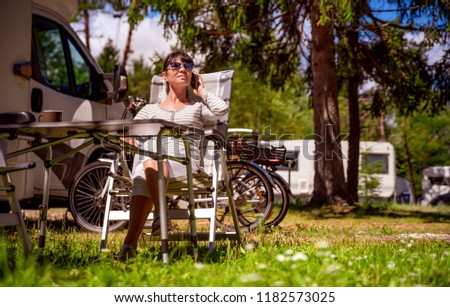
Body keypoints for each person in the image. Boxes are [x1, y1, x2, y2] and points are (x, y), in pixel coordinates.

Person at [118, 50, 229, 260]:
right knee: (146, 168)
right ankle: (132, 245)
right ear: (164, 75)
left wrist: (202, 91)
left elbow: (222, 111)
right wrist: (127, 137)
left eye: (188, 67)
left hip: (186, 165)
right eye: (176, 66)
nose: (182, 70)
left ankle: (148, 228)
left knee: (148, 165)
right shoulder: (150, 110)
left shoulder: (198, 108)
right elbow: (127, 133)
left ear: (192, 76)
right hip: (152, 164)